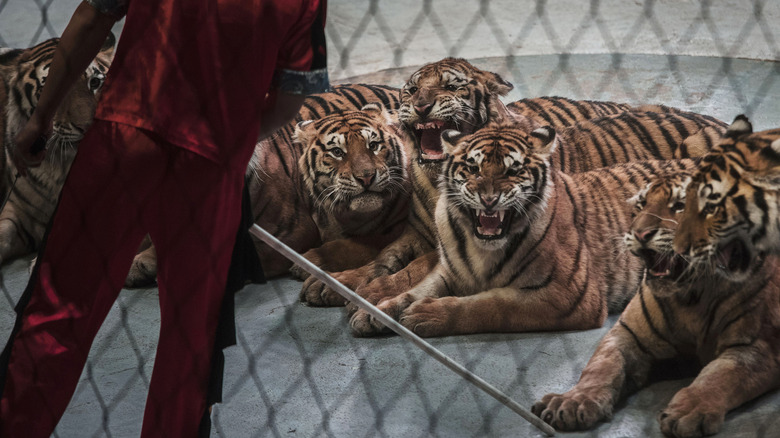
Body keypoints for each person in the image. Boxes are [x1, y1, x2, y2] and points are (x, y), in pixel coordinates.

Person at [0, 0, 328, 436]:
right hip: (209, 170)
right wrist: (227, 141)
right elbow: (291, 97)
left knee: (60, 307)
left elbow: (92, 17)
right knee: (191, 339)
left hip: (123, 136)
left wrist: (41, 118)